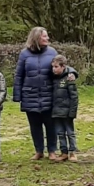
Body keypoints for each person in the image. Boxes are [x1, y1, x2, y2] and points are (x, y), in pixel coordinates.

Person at [13, 28, 58, 159]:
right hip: (30, 95)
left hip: (48, 93)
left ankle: (52, 151)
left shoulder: (52, 52)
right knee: (35, 125)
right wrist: (17, 95)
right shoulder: (24, 54)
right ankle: (39, 151)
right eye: (45, 36)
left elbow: (61, 68)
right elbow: (19, 75)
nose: (48, 38)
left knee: (50, 125)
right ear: (37, 38)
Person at [49, 54, 80, 161]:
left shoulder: (69, 78)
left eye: (56, 67)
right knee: (60, 133)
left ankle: (73, 152)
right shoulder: (53, 79)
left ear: (63, 67)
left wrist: (72, 112)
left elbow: (74, 97)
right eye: (53, 66)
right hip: (56, 111)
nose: (54, 69)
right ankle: (64, 152)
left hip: (67, 112)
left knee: (70, 133)